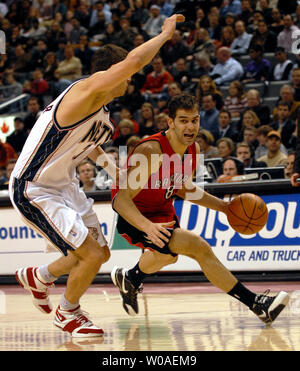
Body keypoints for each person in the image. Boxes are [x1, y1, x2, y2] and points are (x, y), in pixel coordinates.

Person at [10, 14, 186, 338]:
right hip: (35, 187)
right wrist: (164, 34)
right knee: (89, 254)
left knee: (100, 254)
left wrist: (113, 168)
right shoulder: (85, 91)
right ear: (111, 72)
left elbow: (86, 145)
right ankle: (68, 312)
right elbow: (134, 60)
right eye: (126, 74)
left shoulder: (99, 111)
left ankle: (41, 276)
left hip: (66, 186)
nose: (130, 79)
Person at [110, 93, 289, 323]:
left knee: (167, 257)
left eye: (194, 120)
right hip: (135, 213)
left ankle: (131, 278)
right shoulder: (151, 151)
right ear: (170, 123)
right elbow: (120, 199)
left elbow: (183, 188)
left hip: (162, 209)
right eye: (183, 120)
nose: (190, 126)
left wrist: (224, 207)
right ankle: (257, 304)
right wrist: (147, 226)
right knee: (198, 247)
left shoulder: (192, 149)